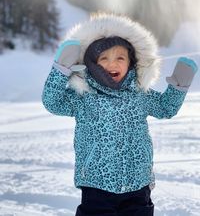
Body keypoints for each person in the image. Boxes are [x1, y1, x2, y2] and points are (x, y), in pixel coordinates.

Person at [42, 13, 198, 216]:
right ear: (91, 63)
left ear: (131, 63)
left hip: (138, 184)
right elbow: (52, 102)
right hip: (97, 184)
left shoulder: (140, 94)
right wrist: (60, 70)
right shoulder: (83, 96)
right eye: (104, 58)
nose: (112, 63)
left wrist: (179, 84)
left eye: (120, 58)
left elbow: (166, 108)